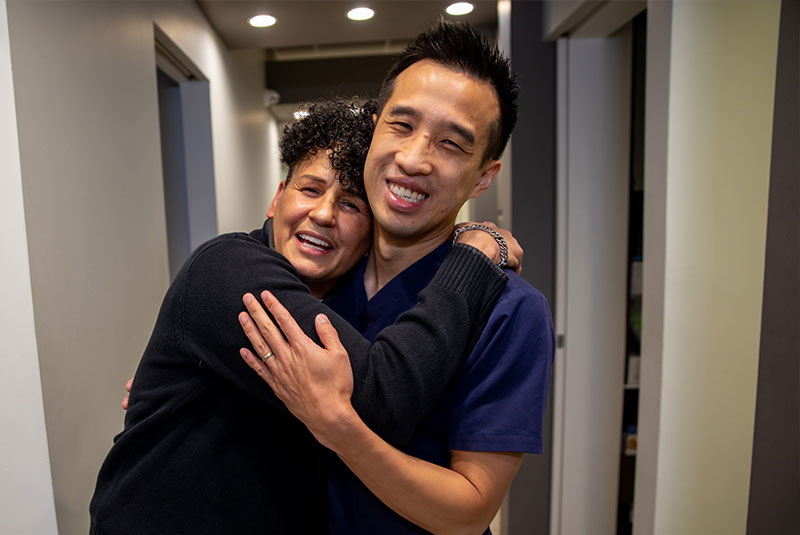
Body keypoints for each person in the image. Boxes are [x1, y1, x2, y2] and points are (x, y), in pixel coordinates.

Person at [89, 98, 520, 534]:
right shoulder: (228, 269)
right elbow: (381, 400)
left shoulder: (348, 300)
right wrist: (472, 256)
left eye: (352, 205)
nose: (324, 214)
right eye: (310, 190)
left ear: (374, 232)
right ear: (277, 198)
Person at [238, 21, 555, 534]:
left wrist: (339, 428)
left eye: (451, 144)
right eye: (401, 126)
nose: (412, 159)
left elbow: (469, 511)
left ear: (484, 175)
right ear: (375, 127)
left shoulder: (508, 310)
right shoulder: (321, 272)